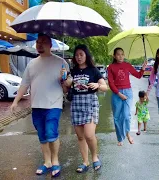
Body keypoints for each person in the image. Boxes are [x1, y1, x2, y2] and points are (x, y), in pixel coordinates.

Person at [10, 33, 69, 177]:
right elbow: (24, 84)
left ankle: (55, 161)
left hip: (54, 104)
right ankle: (47, 162)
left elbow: (66, 88)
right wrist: (15, 101)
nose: (39, 45)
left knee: (51, 132)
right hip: (36, 105)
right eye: (38, 42)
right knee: (42, 135)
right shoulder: (31, 64)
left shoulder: (61, 63)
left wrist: (64, 79)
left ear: (50, 45)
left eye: (43, 42)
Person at [63, 44, 107, 172]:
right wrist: (64, 80)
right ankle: (85, 161)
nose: (79, 57)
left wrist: (97, 85)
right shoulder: (73, 71)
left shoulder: (93, 70)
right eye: (76, 55)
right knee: (80, 137)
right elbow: (66, 90)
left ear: (86, 55)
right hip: (76, 104)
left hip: (90, 103)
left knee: (89, 135)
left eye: (81, 54)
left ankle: (94, 157)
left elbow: (105, 87)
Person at [107, 47, 147, 146]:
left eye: (122, 54)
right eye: (118, 54)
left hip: (128, 92)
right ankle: (120, 138)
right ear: (114, 56)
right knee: (117, 117)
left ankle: (128, 134)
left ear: (124, 55)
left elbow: (138, 75)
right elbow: (111, 84)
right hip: (117, 94)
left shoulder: (127, 65)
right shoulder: (111, 67)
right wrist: (119, 94)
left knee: (126, 115)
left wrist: (143, 68)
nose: (120, 56)